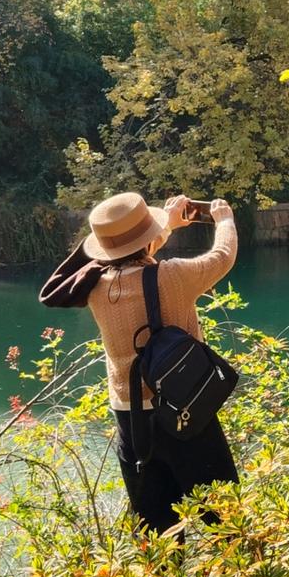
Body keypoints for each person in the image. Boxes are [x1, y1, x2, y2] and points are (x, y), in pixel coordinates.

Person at [82, 191, 239, 534]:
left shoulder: (94, 289)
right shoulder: (174, 276)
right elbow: (222, 256)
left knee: (157, 532)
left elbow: (130, 261)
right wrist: (224, 220)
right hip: (186, 409)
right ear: (149, 238)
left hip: (132, 422)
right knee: (225, 518)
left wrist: (163, 228)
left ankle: (166, 568)